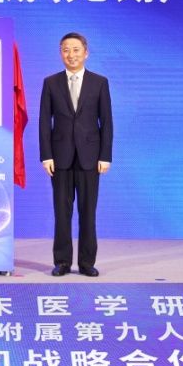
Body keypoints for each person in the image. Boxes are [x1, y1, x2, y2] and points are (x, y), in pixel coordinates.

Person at [39, 32, 112, 277]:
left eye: (76, 50)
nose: (71, 54)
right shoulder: (51, 83)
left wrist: (105, 156)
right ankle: (62, 261)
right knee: (62, 212)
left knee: (88, 212)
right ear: (61, 53)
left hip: (90, 157)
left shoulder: (99, 82)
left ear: (86, 53)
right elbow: (44, 122)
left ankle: (86, 262)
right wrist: (46, 155)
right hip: (59, 157)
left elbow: (107, 122)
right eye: (66, 50)